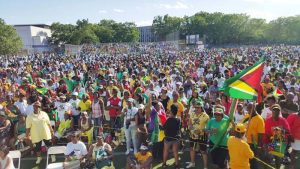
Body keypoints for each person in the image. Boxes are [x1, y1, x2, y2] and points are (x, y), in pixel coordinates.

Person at [186, 101, 209, 169]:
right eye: (195, 107)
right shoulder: (192, 114)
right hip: (192, 135)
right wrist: (192, 129)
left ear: (201, 108)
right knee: (191, 148)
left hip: (202, 136)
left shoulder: (206, 116)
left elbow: (208, 128)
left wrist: (200, 131)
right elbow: (189, 124)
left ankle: (205, 167)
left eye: (198, 108)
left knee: (203, 151)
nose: (196, 109)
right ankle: (192, 163)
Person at [244, 103, 265, 169]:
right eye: (248, 108)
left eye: (251, 108)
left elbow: (261, 134)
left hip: (253, 144)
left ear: (254, 108)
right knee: (245, 161)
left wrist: (258, 147)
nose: (249, 109)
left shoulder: (259, 119)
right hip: (244, 142)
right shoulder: (247, 116)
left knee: (253, 163)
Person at [162, 104, 181, 168]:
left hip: (168, 139)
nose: (169, 111)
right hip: (175, 138)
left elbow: (163, 127)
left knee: (166, 150)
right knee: (175, 152)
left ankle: (164, 163)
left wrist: (160, 124)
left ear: (172, 111)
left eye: (170, 110)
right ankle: (176, 164)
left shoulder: (169, 120)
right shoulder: (178, 119)